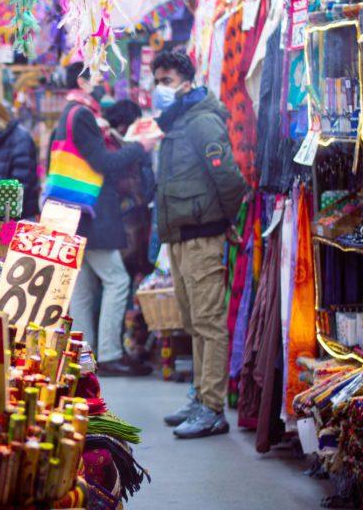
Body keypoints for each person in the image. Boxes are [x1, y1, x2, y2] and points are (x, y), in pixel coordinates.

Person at [151, 51, 247, 439]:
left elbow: (230, 180)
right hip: (180, 237)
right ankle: (199, 395)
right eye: (157, 80)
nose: (161, 88)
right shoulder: (178, 120)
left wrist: (224, 222)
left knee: (208, 323)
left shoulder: (203, 121)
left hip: (202, 235)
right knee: (193, 322)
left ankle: (212, 408)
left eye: (168, 81)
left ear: (187, 81)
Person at [53, 63, 158, 377]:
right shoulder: (82, 115)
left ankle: (84, 358)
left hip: (76, 214)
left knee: (83, 288)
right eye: (97, 77)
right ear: (82, 81)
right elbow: (104, 162)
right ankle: (110, 355)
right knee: (116, 280)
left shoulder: (73, 113)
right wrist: (140, 147)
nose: (103, 84)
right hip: (92, 214)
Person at [102, 100, 156, 279]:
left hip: (128, 216)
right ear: (124, 126)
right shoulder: (112, 145)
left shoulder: (119, 143)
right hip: (122, 218)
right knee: (118, 279)